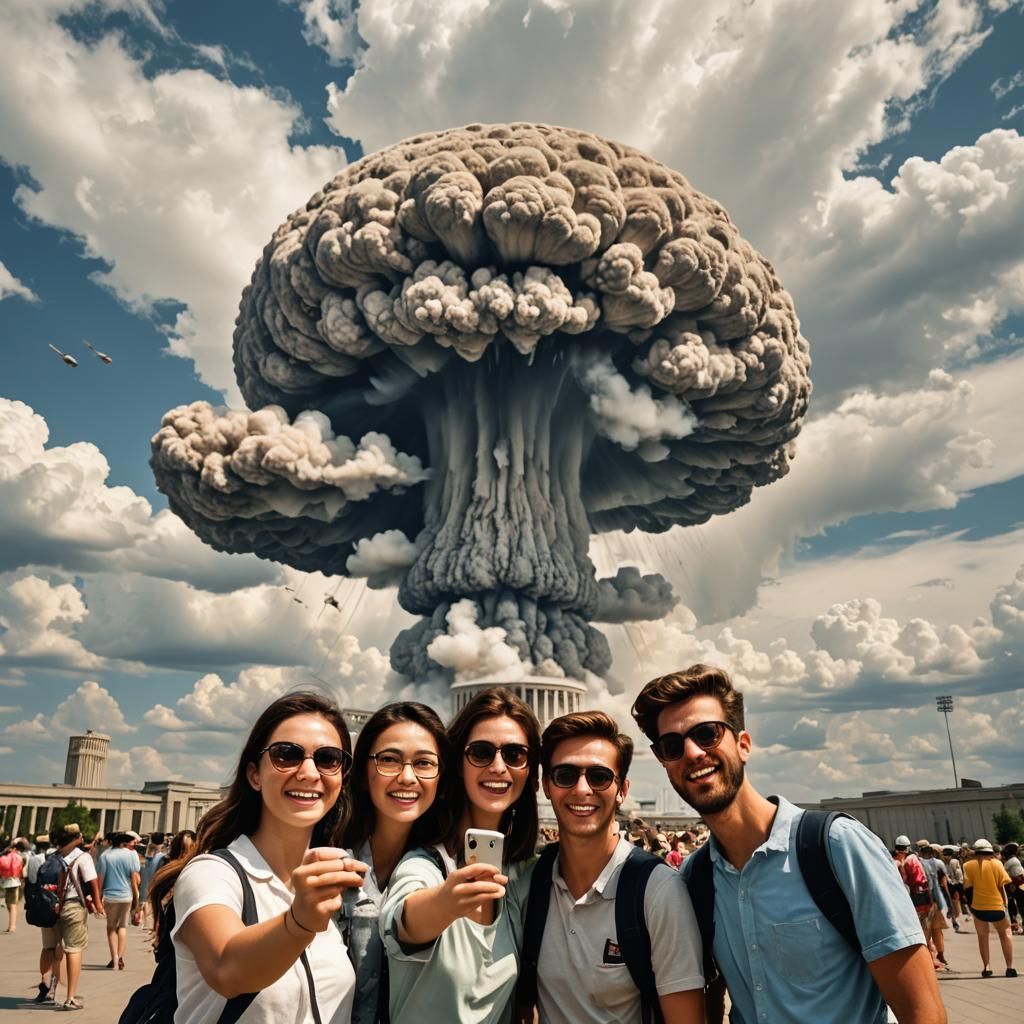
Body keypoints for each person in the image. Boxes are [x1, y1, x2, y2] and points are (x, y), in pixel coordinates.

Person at [632, 664, 946, 1024]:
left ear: (743, 745)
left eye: (707, 734)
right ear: (664, 762)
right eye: (672, 745)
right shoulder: (696, 878)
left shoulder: (837, 847)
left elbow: (923, 1011)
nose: (692, 753)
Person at [148, 691, 366, 1022]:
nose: (309, 772)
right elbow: (226, 969)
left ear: (341, 778)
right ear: (254, 775)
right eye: (286, 755)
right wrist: (298, 922)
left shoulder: (332, 878)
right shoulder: (211, 874)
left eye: (328, 759)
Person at [524, 710, 704, 1024]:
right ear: (547, 785)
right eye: (565, 775)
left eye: (599, 776)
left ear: (622, 790)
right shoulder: (532, 882)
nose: (582, 789)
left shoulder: (658, 891)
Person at [380, 687, 539, 1023]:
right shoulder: (424, 865)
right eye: (481, 753)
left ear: (530, 770)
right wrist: (445, 902)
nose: (498, 767)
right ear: (457, 765)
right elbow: (405, 922)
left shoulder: (523, 876)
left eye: (515, 754)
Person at [339, 702, 449, 1024]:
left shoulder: (440, 870)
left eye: (424, 763)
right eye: (389, 760)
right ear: (363, 773)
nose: (407, 777)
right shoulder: (329, 858)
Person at [47, 823, 105, 1011]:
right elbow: (92, 881)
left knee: (57, 948)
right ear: (77, 838)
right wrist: (98, 904)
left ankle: (52, 989)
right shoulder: (82, 857)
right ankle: (70, 997)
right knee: (74, 949)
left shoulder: (54, 855)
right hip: (73, 907)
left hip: (54, 907)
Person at [963, 838, 1016, 978]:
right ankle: (1010, 968)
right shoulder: (997, 864)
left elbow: (967, 889)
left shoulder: (967, 866)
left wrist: (972, 907)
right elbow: (1004, 886)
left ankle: (987, 967)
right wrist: (1007, 905)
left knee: (982, 937)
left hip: (978, 907)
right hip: (997, 906)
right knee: (1005, 934)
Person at [99, 832, 141, 969]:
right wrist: (136, 899)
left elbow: (100, 879)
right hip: (126, 895)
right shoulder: (131, 855)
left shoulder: (105, 856)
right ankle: (120, 956)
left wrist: (98, 898)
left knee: (111, 928)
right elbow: (134, 878)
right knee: (122, 926)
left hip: (110, 896)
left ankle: (115, 960)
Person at [915, 842, 950, 967]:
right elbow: (944, 883)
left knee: (926, 930)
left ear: (921, 852)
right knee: (937, 929)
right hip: (936, 900)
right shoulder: (939, 863)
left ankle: (929, 956)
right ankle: (940, 954)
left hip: (923, 900)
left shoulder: (918, 863)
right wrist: (948, 902)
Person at [0, 836, 24, 932]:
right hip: (15, 881)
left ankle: (12, 926)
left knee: (11, 904)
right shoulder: (16, 855)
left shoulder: (4, 856)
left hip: (7, 882)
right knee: (11, 904)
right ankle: (12, 924)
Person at [940, 846, 965, 930]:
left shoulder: (953, 862)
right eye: (944, 855)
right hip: (948, 884)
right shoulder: (943, 863)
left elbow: (958, 874)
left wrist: (954, 881)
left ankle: (956, 918)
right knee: (952, 902)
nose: (945, 857)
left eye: (946, 855)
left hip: (955, 884)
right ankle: (955, 919)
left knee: (955, 901)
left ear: (950, 855)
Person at [1002, 843, 1024, 934]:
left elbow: (1003, 873)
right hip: (1019, 885)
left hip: (1018, 886)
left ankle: (1017, 925)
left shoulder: (1011, 862)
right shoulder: (1014, 860)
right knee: (1020, 906)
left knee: (1021, 906)